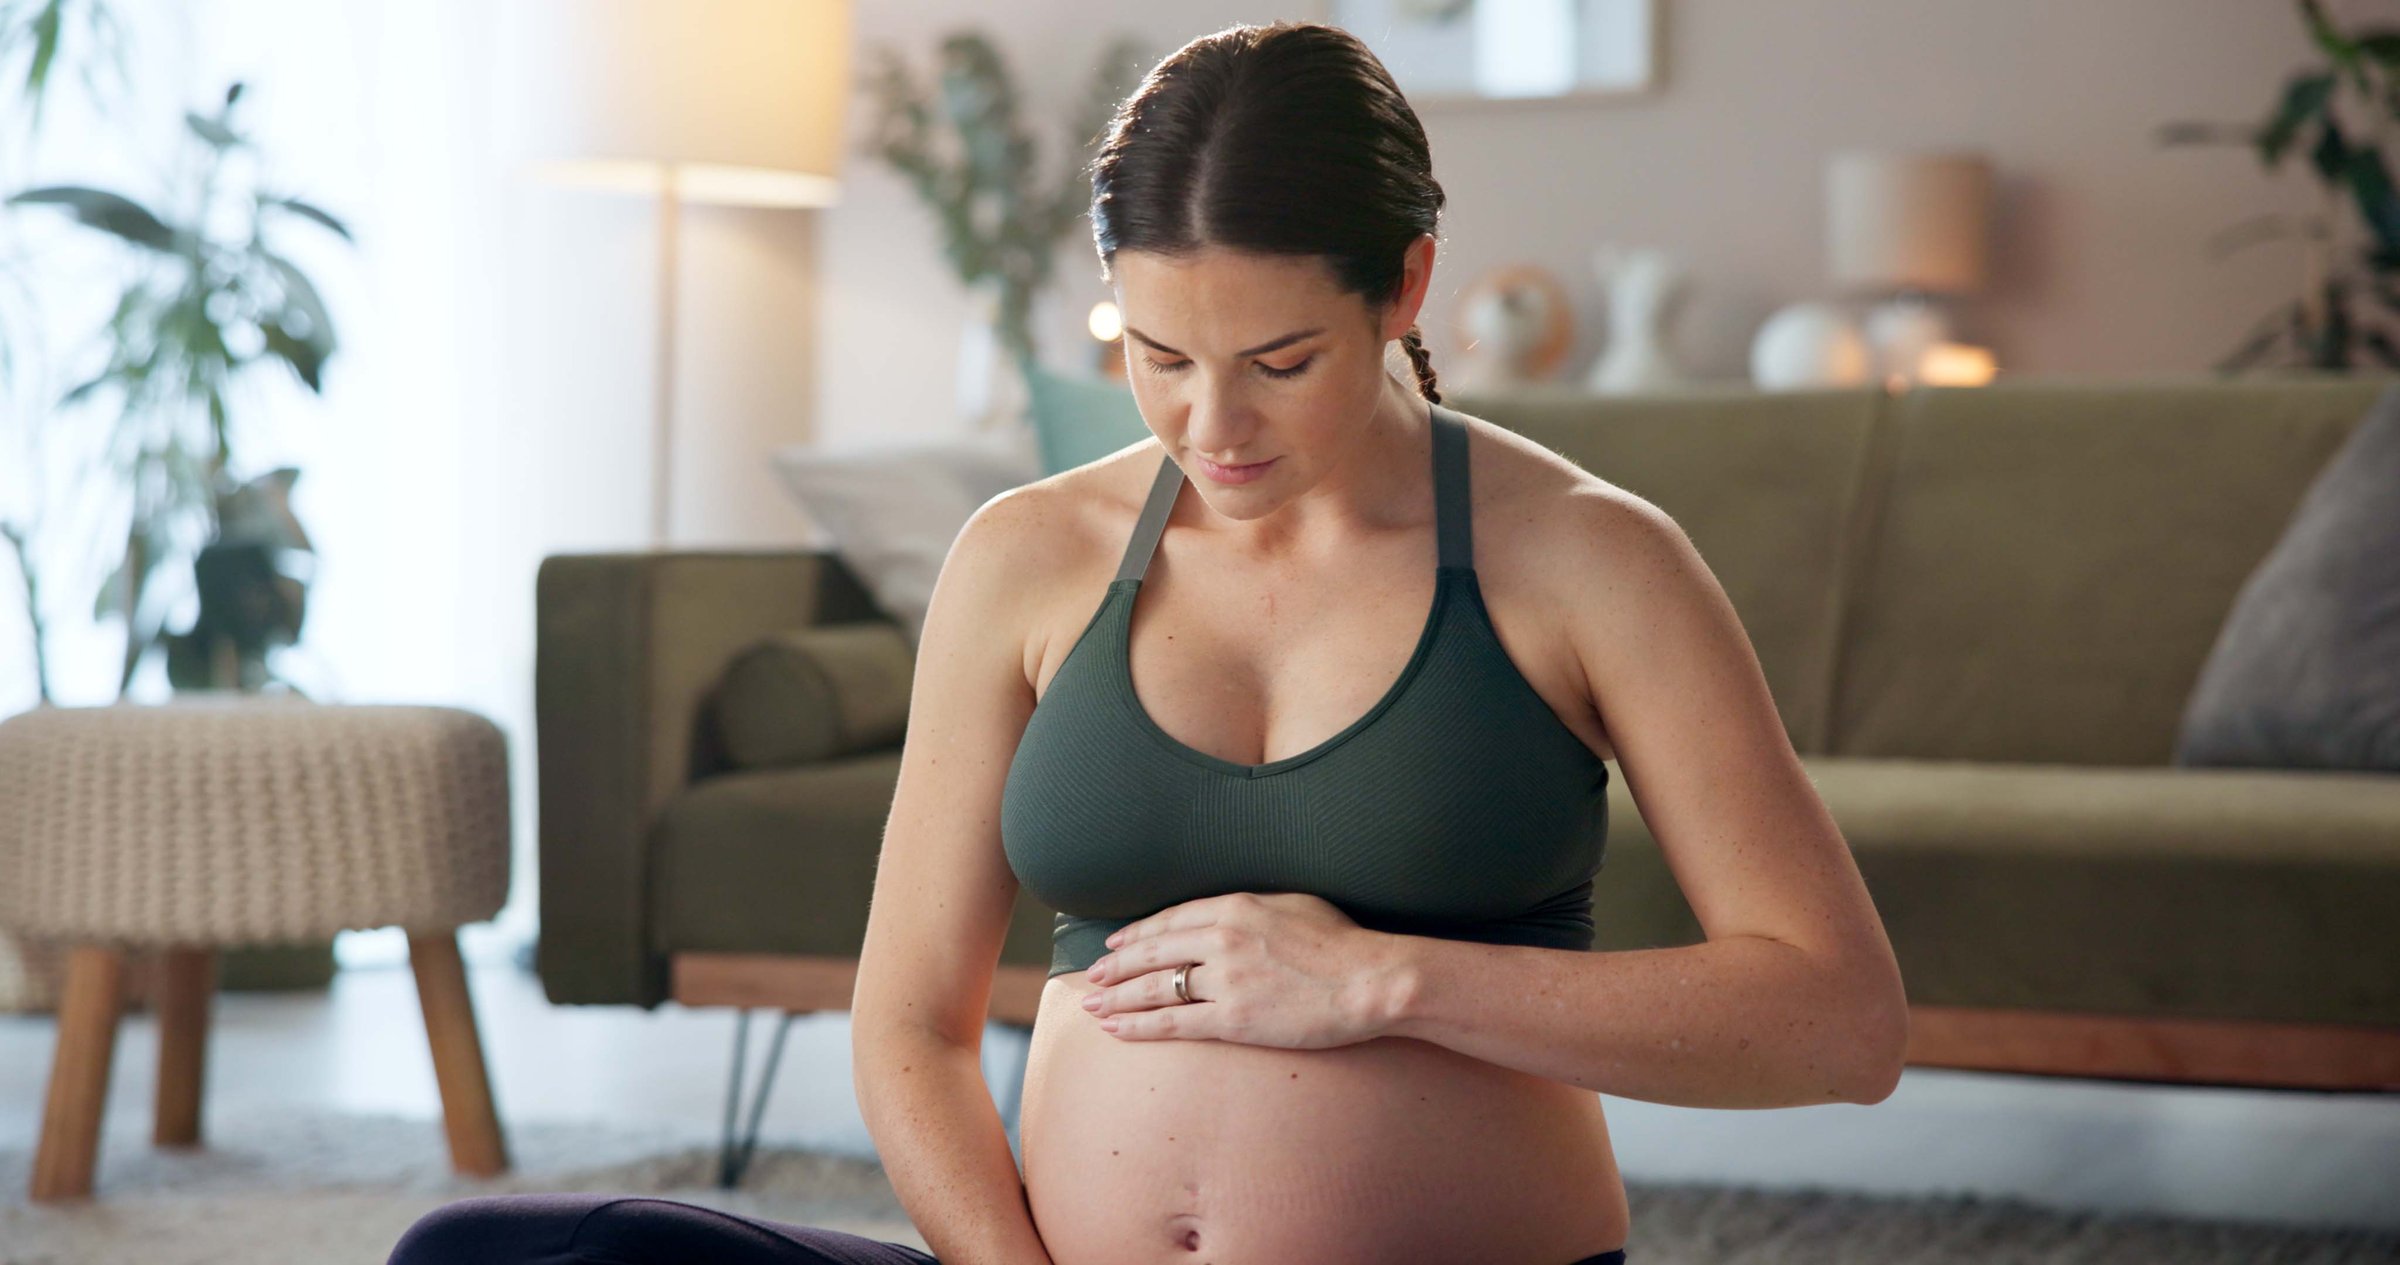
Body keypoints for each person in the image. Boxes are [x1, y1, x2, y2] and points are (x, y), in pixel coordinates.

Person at [388, 20, 1908, 1265]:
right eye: (1158, 356)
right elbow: (908, 1019)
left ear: (1407, 285)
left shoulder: (1589, 557)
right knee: (480, 1258)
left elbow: (1837, 1020)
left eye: (1280, 360)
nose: (1213, 426)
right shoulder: (1027, 557)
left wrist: (1384, 980)